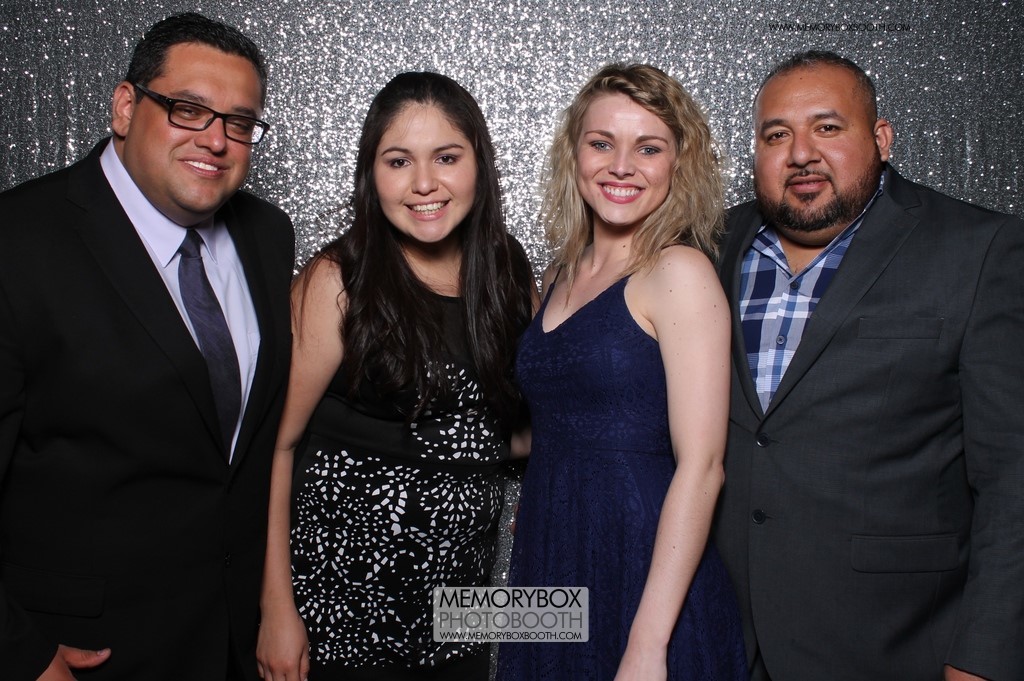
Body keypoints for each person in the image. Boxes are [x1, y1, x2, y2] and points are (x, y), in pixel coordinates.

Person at [0, 12, 294, 681]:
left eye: (239, 122)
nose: (216, 140)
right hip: (83, 652)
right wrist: (22, 656)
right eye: (188, 109)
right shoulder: (18, 243)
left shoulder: (267, 236)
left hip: (233, 643)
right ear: (126, 107)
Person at [713, 50, 1024, 681]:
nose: (801, 153)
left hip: (892, 643)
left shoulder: (978, 249)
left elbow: (1013, 476)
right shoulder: (708, 244)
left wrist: (981, 660)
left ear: (881, 139)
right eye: (777, 135)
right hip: (721, 637)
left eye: (827, 127)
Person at [255, 72, 535, 681]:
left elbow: (499, 429)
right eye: (399, 161)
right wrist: (276, 607)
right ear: (371, 174)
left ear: (479, 166)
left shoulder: (507, 270)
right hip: (338, 610)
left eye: (447, 158)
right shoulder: (339, 280)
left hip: (460, 614)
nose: (424, 183)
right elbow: (274, 445)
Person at [498, 63, 747, 680]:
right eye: (602, 143)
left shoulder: (679, 272)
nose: (621, 166)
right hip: (550, 548)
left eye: (648, 148)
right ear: (574, 153)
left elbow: (704, 466)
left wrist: (648, 643)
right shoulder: (558, 273)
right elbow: (558, 427)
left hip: (641, 564)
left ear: (678, 163)